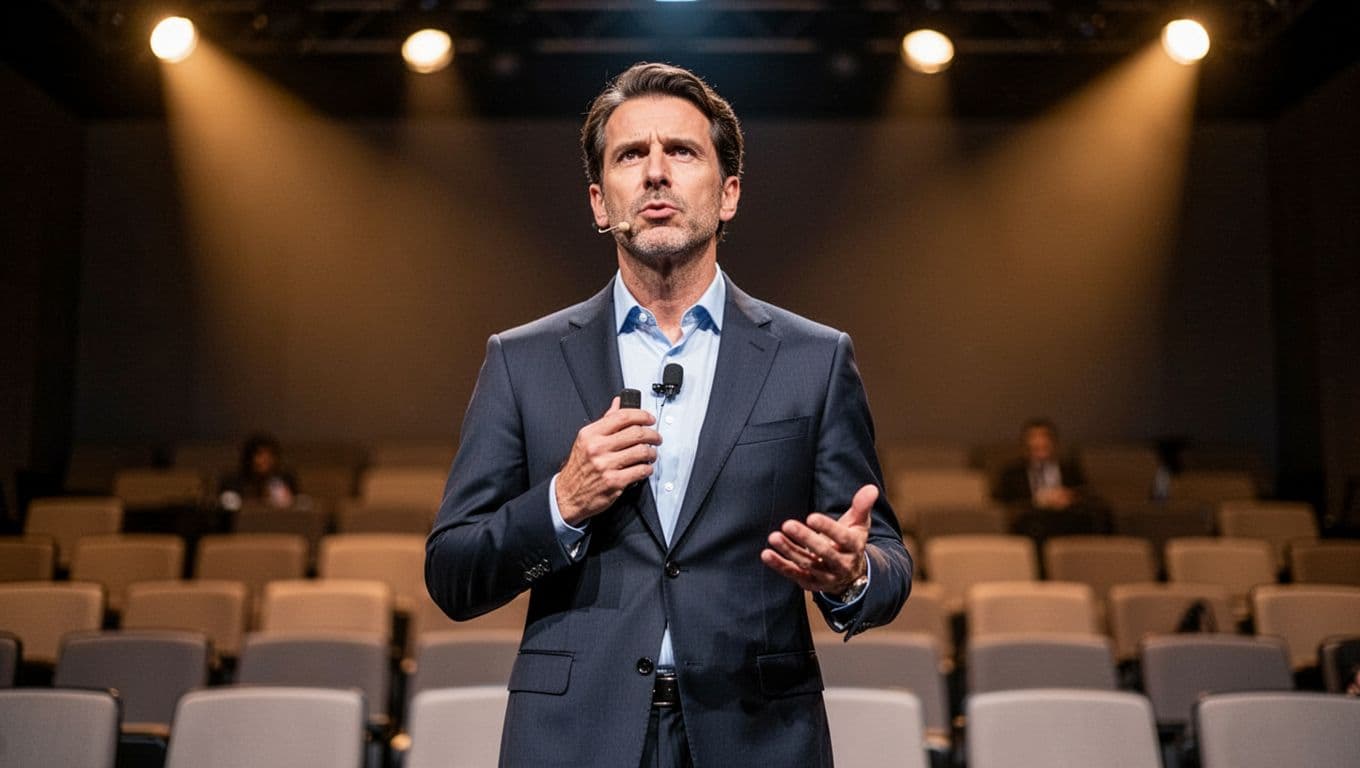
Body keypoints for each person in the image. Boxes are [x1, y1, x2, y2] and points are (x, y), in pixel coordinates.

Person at [425, 62, 912, 767]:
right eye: (631, 155)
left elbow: (889, 561)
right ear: (599, 202)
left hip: (756, 736)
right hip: (575, 739)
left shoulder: (815, 359)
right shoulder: (521, 361)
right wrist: (562, 502)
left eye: (681, 152)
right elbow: (452, 572)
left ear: (729, 194)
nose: (656, 173)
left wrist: (853, 576)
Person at [994, 418, 1110, 542]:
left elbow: (1087, 493)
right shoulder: (1012, 473)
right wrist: (1038, 500)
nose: (1039, 442)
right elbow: (1001, 503)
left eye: (1044, 437)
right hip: (1033, 523)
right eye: (1034, 437)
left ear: (1054, 443)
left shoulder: (1069, 469)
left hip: (1068, 521)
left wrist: (1068, 496)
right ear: (1025, 444)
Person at [218, 432, 296, 510]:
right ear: (249, 458)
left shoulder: (284, 480)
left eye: (270, 455)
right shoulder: (232, 483)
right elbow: (229, 509)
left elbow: (298, 508)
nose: (266, 460)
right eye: (260, 454)